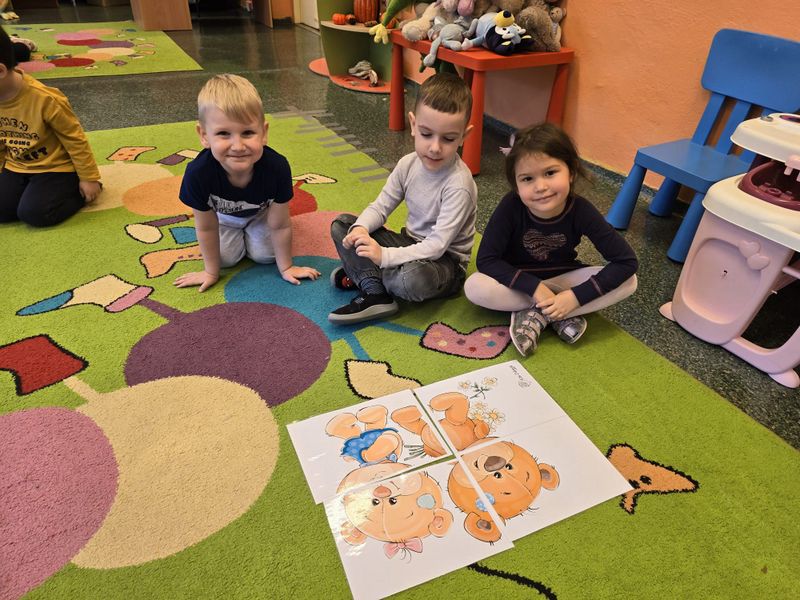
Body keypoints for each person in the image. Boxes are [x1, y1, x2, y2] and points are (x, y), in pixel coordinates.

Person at [464, 122, 638, 356]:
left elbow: (626, 261)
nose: (541, 186)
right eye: (527, 179)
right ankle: (555, 313)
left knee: (630, 281)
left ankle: (541, 313)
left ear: (571, 172)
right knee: (474, 286)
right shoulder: (510, 206)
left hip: (562, 279)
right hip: (519, 284)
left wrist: (575, 297)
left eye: (550, 173)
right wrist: (534, 287)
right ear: (516, 185)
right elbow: (486, 259)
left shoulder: (581, 210)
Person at [328, 72, 477, 324]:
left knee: (411, 280)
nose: (435, 147)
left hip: (444, 265)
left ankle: (368, 276)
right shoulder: (407, 164)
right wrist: (361, 229)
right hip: (409, 242)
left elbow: (437, 246)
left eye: (449, 139)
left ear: (464, 136)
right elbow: (381, 207)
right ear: (413, 125)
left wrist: (383, 257)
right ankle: (375, 287)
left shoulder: (459, 185)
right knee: (342, 225)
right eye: (427, 134)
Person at [174, 73, 320, 292]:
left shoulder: (277, 167)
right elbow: (206, 227)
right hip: (222, 219)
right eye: (224, 133)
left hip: (261, 215)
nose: (238, 146)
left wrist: (286, 267)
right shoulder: (198, 173)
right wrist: (211, 272)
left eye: (248, 132)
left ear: (263, 133)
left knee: (266, 256)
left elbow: (280, 224)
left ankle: (252, 236)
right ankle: (240, 240)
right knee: (224, 260)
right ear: (204, 135)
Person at [0, 25, 102, 227]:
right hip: (17, 165)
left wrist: (89, 178)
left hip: (56, 168)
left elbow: (75, 139)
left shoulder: (45, 99)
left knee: (34, 214)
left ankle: (79, 191)